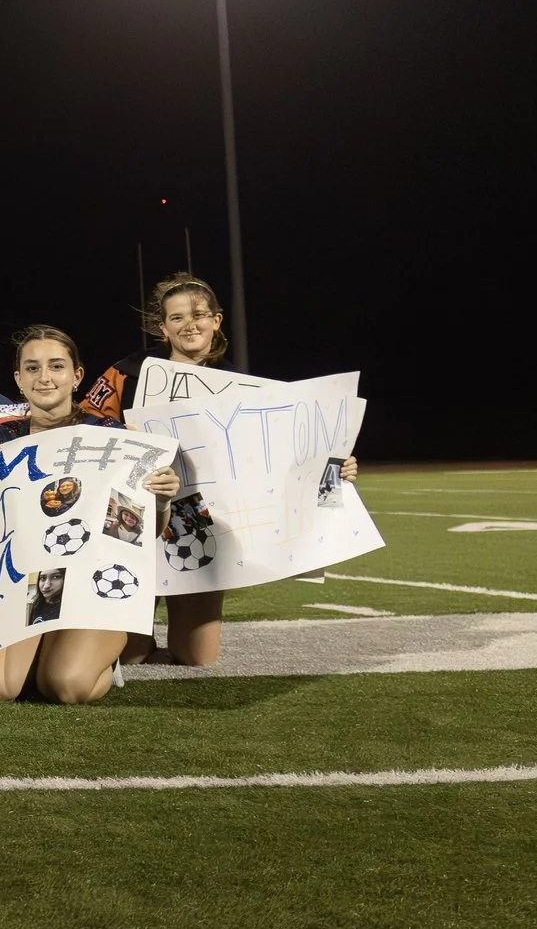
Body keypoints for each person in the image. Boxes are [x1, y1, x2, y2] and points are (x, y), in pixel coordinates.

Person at [78, 275, 357, 668]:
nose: (188, 324)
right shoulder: (128, 372)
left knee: (198, 657)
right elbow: (83, 422)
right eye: (176, 318)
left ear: (217, 320)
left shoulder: (240, 387)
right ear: (163, 327)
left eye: (198, 315)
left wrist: (332, 466)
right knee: (131, 655)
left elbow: (284, 456)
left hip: (198, 520)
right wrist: (124, 436)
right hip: (133, 511)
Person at [0, 325, 183, 705]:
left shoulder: (113, 435)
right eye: (32, 368)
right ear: (18, 379)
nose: (44, 377)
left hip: (89, 581)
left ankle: (100, 659)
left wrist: (161, 500)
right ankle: (48, 648)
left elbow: (141, 532)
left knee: (67, 685)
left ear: (77, 376)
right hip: (25, 581)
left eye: (56, 366)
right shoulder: (0, 439)